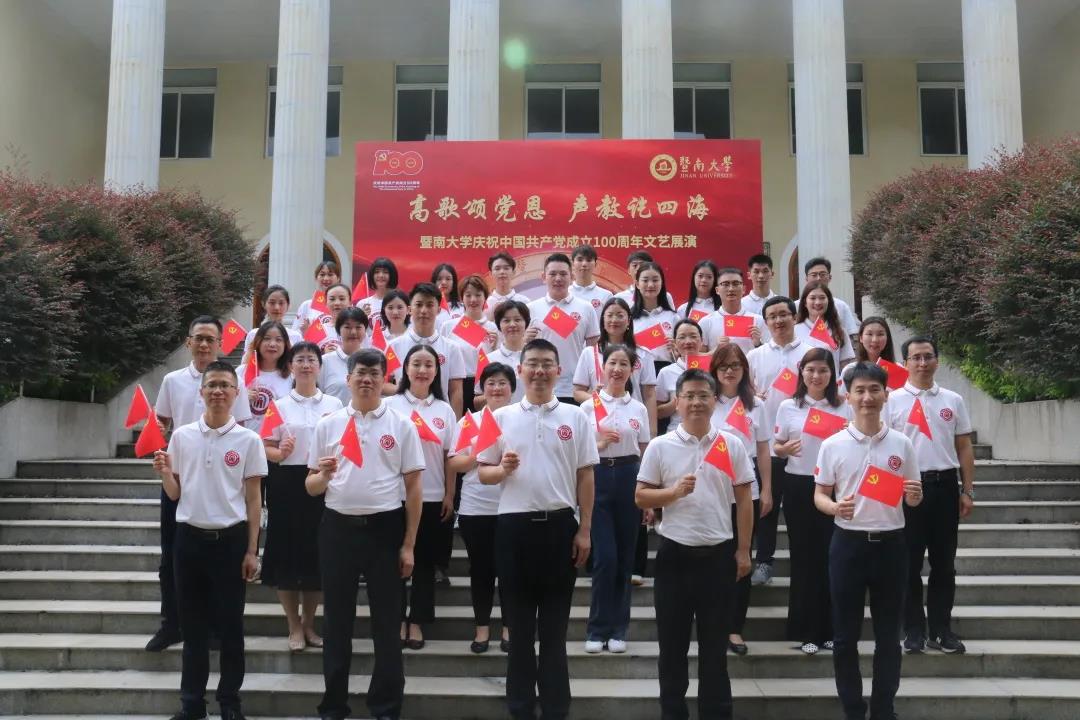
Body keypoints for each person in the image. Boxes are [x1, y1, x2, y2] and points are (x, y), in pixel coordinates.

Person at [477, 339, 597, 720]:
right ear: (521, 370)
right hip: (514, 530)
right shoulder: (499, 417)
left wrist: (585, 529)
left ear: (559, 370)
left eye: (547, 363)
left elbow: (586, 475)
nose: (540, 370)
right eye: (532, 363)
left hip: (560, 528)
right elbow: (483, 472)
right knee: (519, 628)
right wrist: (502, 469)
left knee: (554, 631)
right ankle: (520, 706)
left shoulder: (576, 417)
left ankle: (557, 707)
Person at [306, 348, 424, 720]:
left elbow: (414, 488)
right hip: (337, 530)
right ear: (348, 378)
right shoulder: (328, 424)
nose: (367, 379)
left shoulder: (401, 425)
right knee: (336, 622)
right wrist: (324, 475)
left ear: (384, 379)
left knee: (387, 624)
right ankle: (333, 705)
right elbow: (311, 486)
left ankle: (386, 706)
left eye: (374, 373)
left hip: (384, 531)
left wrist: (409, 544)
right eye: (360, 372)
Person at [636, 368, 754, 720]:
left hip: (718, 556)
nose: (696, 402)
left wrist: (743, 550)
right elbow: (641, 496)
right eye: (689, 396)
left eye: (703, 395)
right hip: (674, 556)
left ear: (714, 401)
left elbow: (744, 500)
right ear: (677, 402)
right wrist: (672, 493)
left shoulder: (731, 444)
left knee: (714, 651)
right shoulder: (660, 446)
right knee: (672, 649)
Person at [152, 360, 266, 720]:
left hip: (230, 542)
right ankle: (192, 704)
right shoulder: (182, 436)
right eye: (211, 385)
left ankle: (229, 702)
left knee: (231, 627)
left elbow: (254, 500)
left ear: (236, 393)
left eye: (225, 385)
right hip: (189, 541)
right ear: (201, 392)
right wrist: (165, 473)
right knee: (193, 629)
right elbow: (175, 493)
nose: (218, 391)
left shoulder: (249, 440)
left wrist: (252, 550)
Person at [814, 362, 923, 720]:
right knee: (845, 637)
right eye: (859, 390)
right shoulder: (832, 444)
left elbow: (912, 495)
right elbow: (820, 494)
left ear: (886, 395)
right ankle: (852, 709)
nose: (867, 397)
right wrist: (834, 507)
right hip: (848, 546)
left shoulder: (902, 443)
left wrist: (915, 497)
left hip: (891, 547)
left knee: (889, 637)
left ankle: (883, 709)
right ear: (847, 396)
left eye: (874, 390)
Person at [148, 316, 253, 652]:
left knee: (219, 562)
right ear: (188, 342)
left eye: (211, 339)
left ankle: (216, 628)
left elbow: (243, 428)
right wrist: (159, 432)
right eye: (199, 338)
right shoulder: (173, 380)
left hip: (221, 481)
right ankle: (171, 624)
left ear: (221, 343)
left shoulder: (233, 382)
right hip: (180, 476)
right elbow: (162, 420)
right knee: (171, 556)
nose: (205, 344)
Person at [886, 336, 976, 655]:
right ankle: (913, 629)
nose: (922, 363)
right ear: (905, 363)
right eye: (915, 358)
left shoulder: (953, 399)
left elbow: (964, 446)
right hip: (908, 488)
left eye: (928, 356)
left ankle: (941, 630)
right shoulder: (892, 401)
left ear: (937, 360)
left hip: (945, 486)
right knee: (908, 564)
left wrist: (967, 490)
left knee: (944, 564)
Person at [262, 342, 343, 651]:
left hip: (322, 482)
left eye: (312, 359)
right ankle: (293, 625)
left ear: (320, 366)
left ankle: (309, 623)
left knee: (317, 555)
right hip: (286, 483)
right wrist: (279, 452)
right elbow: (265, 446)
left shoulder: (335, 404)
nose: (306, 364)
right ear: (290, 366)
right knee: (285, 555)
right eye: (300, 359)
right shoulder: (279, 406)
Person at [774, 349, 852, 655]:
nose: (816, 376)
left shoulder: (844, 406)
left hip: (835, 488)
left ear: (832, 374)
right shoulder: (788, 406)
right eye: (810, 370)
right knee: (804, 558)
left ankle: (831, 629)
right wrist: (784, 450)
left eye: (823, 370)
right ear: (801, 372)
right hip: (799, 485)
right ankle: (806, 630)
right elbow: (776, 445)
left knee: (833, 557)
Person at [385, 345, 457, 651]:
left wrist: (449, 493)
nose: (422, 370)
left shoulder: (444, 410)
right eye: (416, 364)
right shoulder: (390, 406)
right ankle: (396, 619)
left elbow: (450, 456)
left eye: (429, 365)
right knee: (394, 562)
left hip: (432, 495)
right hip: (394, 496)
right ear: (405, 368)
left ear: (437, 371)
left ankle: (417, 621)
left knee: (425, 563)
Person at [580, 344, 651, 654]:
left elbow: (645, 451)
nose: (617, 369)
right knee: (605, 559)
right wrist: (598, 443)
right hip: (597, 477)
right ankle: (597, 629)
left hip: (629, 477)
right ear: (603, 367)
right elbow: (579, 452)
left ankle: (618, 629)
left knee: (624, 559)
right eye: (612, 362)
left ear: (632, 370)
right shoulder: (587, 407)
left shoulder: (638, 408)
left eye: (624, 364)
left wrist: (647, 495)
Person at [446, 362, 517, 654]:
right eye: (491, 383)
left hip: (513, 507)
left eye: (502, 383)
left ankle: (510, 628)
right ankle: (482, 628)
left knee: (511, 571)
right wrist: (480, 453)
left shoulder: (519, 420)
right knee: (481, 571)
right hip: (476, 507)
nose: (496, 388)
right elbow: (455, 463)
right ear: (481, 389)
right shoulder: (469, 422)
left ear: (512, 388)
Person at [709, 344, 772, 656]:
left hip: (746, 489)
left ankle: (734, 627)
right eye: (723, 366)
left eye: (735, 365)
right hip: (711, 488)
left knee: (742, 556)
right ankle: (711, 624)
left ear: (745, 369)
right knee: (713, 559)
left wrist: (768, 488)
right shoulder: (707, 400)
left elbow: (763, 449)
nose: (729, 371)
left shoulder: (756, 405)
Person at [746, 296, 812, 587]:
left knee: (802, 512)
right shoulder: (754, 356)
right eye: (772, 316)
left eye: (783, 314)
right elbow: (743, 394)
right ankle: (764, 562)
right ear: (765, 322)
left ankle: (804, 566)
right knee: (767, 508)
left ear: (794, 317)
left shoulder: (812, 353)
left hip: (803, 446)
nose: (778, 320)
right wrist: (752, 396)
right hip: (767, 445)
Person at [572, 296, 658, 436]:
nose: (614, 320)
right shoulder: (589, 353)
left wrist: (652, 432)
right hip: (600, 425)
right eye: (610, 315)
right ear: (603, 321)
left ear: (628, 320)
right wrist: (599, 399)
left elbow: (649, 395)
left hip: (633, 424)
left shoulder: (643, 354)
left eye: (620, 315)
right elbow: (577, 392)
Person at [526, 253, 601, 405]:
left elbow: (593, 351)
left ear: (572, 276)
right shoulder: (531, 309)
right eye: (552, 274)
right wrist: (524, 340)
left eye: (563, 274)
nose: (558, 278)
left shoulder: (586, 308)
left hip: (575, 388)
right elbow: (521, 350)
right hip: (540, 386)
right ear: (543, 277)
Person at [386, 283, 465, 418]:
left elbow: (456, 391)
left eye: (429, 305)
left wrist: (455, 424)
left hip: (439, 418)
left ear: (438, 310)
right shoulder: (394, 346)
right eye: (419, 304)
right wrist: (405, 389)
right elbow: (383, 384)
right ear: (410, 309)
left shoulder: (452, 348)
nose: (423, 310)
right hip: (403, 415)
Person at [441, 274, 498, 413]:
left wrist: (495, 345)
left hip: (484, 387)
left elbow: (498, 360)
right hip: (456, 385)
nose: (473, 300)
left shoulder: (493, 328)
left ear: (485, 297)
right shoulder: (449, 326)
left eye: (478, 295)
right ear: (462, 298)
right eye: (468, 295)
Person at [700, 267, 768, 356]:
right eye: (725, 284)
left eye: (736, 284)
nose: (731, 289)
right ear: (717, 290)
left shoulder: (758, 320)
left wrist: (758, 344)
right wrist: (715, 350)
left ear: (744, 289)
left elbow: (769, 356)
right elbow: (699, 358)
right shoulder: (706, 322)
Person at [655, 318, 707, 434]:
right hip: (677, 434)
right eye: (682, 337)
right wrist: (675, 403)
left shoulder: (713, 369)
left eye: (693, 336)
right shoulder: (666, 372)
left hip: (708, 434)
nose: (688, 341)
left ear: (702, 341)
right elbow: (657, 412)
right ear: (674, 342)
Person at [243, 321, 293, 435]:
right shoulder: (241, 372)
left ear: (285, 345)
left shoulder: (293, 377)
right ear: (258, 342)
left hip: (277, 442)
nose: (272, 344)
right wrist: (242, 399)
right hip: (245, 440)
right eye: (267, 339)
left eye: (278, 340)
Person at [795, 282, 855, 374]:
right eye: (813, 298)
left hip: (833, 382)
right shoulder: (794, 331)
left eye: (822, 298)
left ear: (829, 301)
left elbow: (846, 365)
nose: (818, 302)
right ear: (805, 303)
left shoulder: (839, 331)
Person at [630, 261, 680, 367]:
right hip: (637, 370)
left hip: (666, 370)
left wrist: (676, 350)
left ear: (662, 283)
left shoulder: (673, 317)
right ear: (637, 284)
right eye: (645, 280)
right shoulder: (629, 318)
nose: (651, 285)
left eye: (655, 280)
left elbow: (681, 357)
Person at [318, 307, 369, 405]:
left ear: (365, 330)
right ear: (338, 330)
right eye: (347, 327)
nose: (353, 332)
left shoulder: (373, 360)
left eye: (358, 327)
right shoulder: (325, 361)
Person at [802, 256, 860, 340]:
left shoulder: (841, 306)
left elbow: (851, 335)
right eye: (814, 275)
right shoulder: (796, 305)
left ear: (830, 277)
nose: (818, 278)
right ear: (806, 278)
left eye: (822, 274)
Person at [483, 300, 529, 405]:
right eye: (506, 321)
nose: (512, 324)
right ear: (499, 325)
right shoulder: (489, 359)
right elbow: (477, 400)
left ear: (526, 323)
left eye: (517, 320)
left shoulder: (536, 357)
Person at [240, 284, 302, 359]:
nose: (277, 307)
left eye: (281, 303)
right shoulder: (254, 334)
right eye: (272, 303)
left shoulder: (295, 336)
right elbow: (245, 363)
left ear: (288, 306)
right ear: (263, 304)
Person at [292, 260, 341, 332]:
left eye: (330, 275)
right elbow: (295, 332)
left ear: (338, 278)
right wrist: (306, 331)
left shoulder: (343, 304)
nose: (326, 278)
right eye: (322, 274)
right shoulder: (306, 305)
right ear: (316, 278)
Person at [570, 244, 614, 320]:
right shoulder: (564, 294)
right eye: (580, 260)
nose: (584, 264)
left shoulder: (606, 296)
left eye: (589, 260)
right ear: (572, 263)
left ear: (595, 264)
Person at [484, 252, 529, 320]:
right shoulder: (485, 304)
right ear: (491, 274)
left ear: (513, 273)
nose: (502, 272)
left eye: (506, 268)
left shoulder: (524, 302)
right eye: (497, 269)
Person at [316, 283, 353, 353]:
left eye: (342, 299)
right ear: (326, 303)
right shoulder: (318, 330)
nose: (337, 303)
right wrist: (324, 354)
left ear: (350, 302)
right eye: (332, 299)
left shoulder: (357, 329)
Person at [432, 263, 466, 330]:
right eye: (439, 279)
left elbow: (470, 332)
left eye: (448, 279)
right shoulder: (429, 309)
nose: (443, 282)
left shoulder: (463, 308)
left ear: (454, 282)